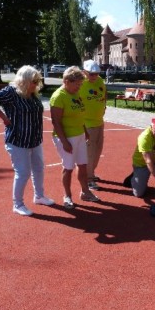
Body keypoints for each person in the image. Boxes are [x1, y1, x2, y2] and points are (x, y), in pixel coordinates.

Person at [0, 65, 54, 216]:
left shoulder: (32, 94)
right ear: (24, 80)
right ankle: (18, 204)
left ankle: (39, 196)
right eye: (33, 81)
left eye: (37, 80)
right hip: (17, 139)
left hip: (34, 139)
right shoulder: (11, 92)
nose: (36, 84)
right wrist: (4, 118)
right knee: (23, 172)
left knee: (39, 168)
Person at [50, 66, 100, 209]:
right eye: (77, 84)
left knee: (83, 165)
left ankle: (85, 192)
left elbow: (79, 113)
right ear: (67, 81)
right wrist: (65, 142)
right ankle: (67, 196)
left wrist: (85, 130)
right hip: (66, 137)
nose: (79, 87)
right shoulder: (59, 96)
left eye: (80, 84)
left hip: (79, 135)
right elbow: (56, 122)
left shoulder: (75, 93)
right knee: (68, 168)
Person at [81, 60, 107, 191]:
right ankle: (88, 179)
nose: (94, 76)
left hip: (99, 122)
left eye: (96, 73)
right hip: (87, 124)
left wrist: (104, 105)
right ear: (84, 72)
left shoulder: (100, 81)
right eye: (91, 74)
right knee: (89, 153)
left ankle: (91, 173)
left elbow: (104, 93)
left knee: (98, 151)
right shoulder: (80, 83)